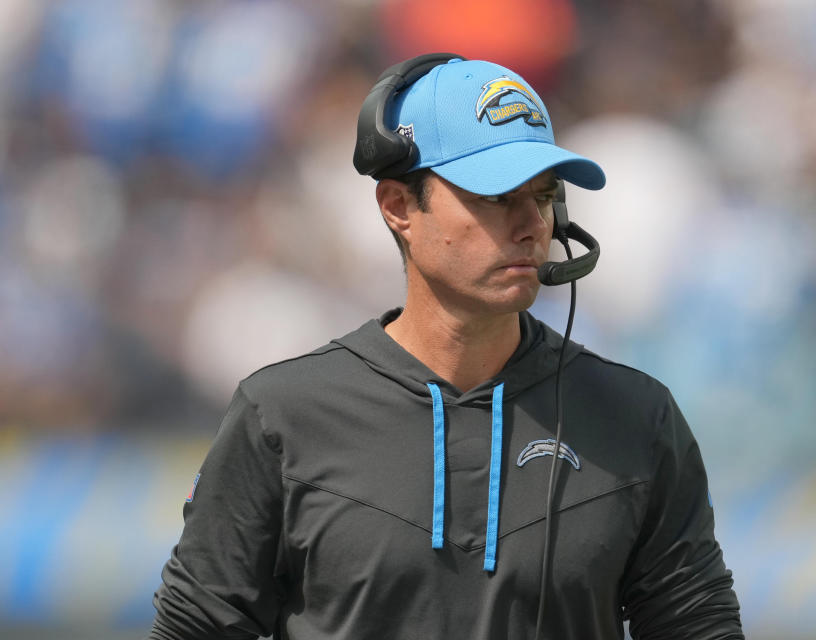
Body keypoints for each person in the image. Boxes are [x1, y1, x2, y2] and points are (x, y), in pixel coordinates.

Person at [149, 55, 743, 640]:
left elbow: (700, 627)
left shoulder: (635, 419)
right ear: (398, 207)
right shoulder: (282, 415)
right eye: (494, 196)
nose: (532, 225)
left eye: (541, 196)